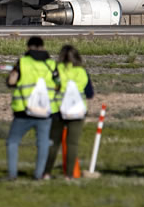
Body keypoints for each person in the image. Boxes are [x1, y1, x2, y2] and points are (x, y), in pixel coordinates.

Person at [6, 36, 59, 180]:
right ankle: (39, 174)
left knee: (12, 142)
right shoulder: (51, 64)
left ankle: (12, 174)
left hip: (23, 110)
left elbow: (11, 81)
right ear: (42, 47)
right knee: (43, 143)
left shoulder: (22, 62)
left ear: (28, 47)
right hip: (45, 111)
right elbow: (59, 84)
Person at [43, 45, 94, 179]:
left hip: (57, 110)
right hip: (77, 111)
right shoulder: (82, 72)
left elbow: (50, 88)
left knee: (53, 144)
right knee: (72, 144)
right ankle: (69, 175)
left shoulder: (56, 71)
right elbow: (89, 93)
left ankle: (46, 172)